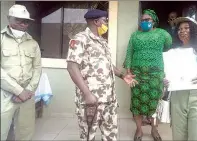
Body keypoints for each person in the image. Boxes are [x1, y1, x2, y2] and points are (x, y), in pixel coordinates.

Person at [66, 9, 137, 141]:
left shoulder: (102, 41)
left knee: (110, 135)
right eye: (105, 21)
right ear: (96, 21)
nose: (106, 24)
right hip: (91, 100)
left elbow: (108, 65)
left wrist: (122, 75)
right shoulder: (80, 39)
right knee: (88, 136)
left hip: (109, 99)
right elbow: (72, 67)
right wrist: (87, 94)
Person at [163, 17, 197, 141]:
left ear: (194, 30)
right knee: (178, 135)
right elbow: (166, 75)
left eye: (186, 28)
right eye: (180, 29)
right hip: (177, 97)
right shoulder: (172, 53)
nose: (182, 31)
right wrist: (165, 81)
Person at [123, 9, 172, 141]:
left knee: (155, 103)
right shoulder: (134, 35)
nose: (144, 22)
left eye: (147, 20)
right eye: (142, 20)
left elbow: (168, 48)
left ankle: (154, 130)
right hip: (137, 74)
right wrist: (128, 70)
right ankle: (139, 130)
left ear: (154, 21)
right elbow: (129, 52)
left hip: (156, 74)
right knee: (137, 103)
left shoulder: (163, 34)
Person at [1, 4, 42, 141]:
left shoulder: (33, 43)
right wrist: (18, 91)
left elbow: (37, 69)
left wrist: (29, 90)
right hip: (4, 94)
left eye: (26, 21)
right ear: (9, 19)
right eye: (18, 20)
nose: (23, 24)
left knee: (25, 132)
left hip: (27, 95)